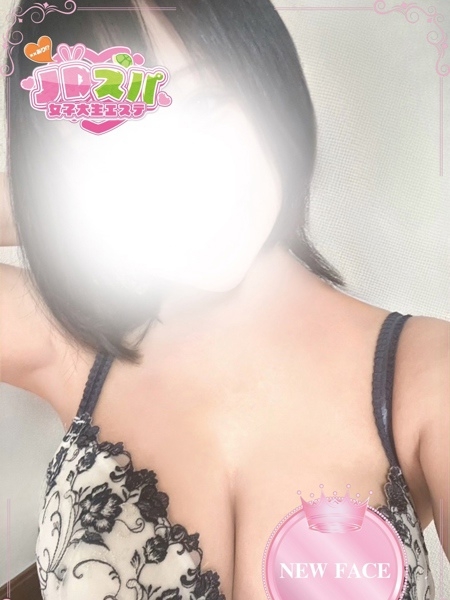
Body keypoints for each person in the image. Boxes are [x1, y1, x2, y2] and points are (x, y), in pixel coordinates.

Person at [1, 0, 448, 598]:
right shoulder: (68, 342)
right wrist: (41, 200)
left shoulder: (426, 373)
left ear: (268, 87)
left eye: (202, 104)